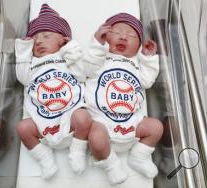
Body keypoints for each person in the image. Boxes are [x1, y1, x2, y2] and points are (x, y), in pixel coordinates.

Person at [84, 13, 163, 185]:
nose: (123, 36)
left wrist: (148, 58)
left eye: (132, 36)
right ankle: (110, 164)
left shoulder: (135, 64)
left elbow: (148, 81)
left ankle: (139, 156)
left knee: (156, 127)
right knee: (96, 138)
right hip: (102, 122)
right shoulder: (100, 60)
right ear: (105, 37)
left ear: (138, 46)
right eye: (117, 32)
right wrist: (97, 43)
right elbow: (87, 69)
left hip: (133, 124)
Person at [15, 4, 91, 179]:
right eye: (34, 39)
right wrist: (24, 52)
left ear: (63, 40)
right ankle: (44, 158)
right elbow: (23, 78)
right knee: (23, 128)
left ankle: (78, 150)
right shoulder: (33, 63)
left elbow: (82, 74)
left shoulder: (66, 58)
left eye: (46, 36)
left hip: (70, 116)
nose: (39, 41)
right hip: (42, 122)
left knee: (84, 118)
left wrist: (71, 50)